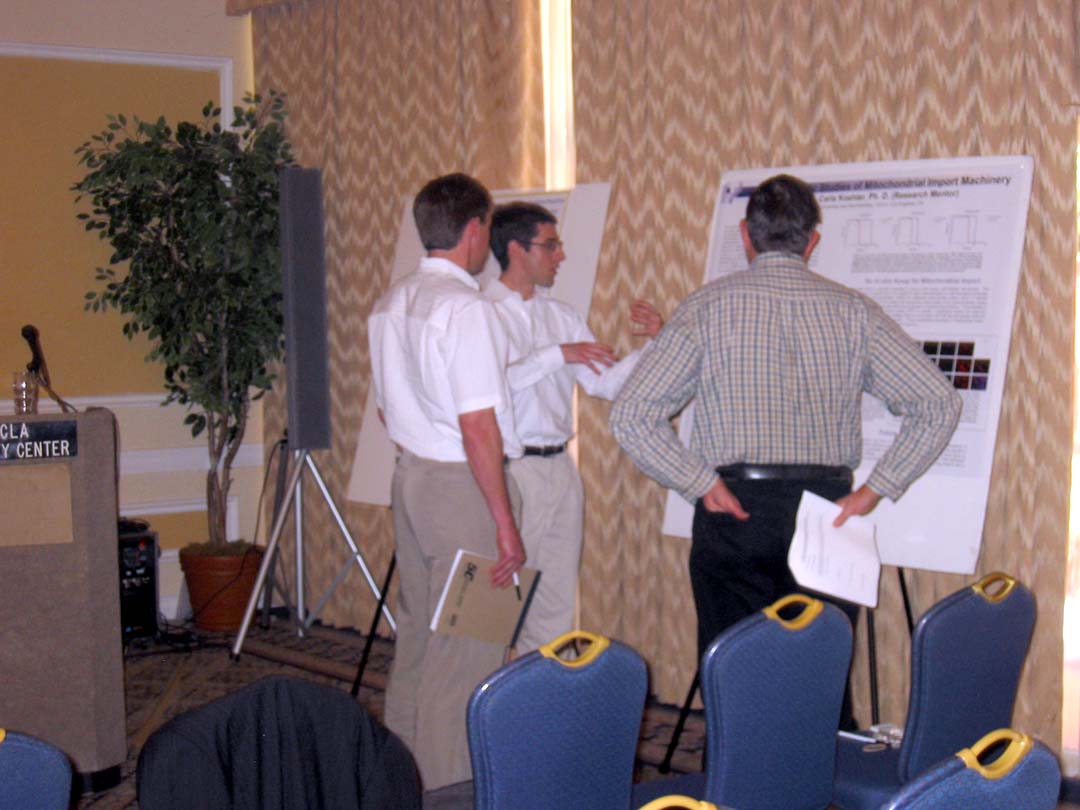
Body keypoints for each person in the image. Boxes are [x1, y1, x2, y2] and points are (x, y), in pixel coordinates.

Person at [610, 174, 961, 725]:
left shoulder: (706, 307)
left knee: (736, 679)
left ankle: (741, 775)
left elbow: (631, 414)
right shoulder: (854, 311)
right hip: (828, 513)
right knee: (818, 679)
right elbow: (938, 402)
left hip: (735, 510)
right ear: (812, 240)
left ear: (745, 236)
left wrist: (699, 483)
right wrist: (874, 492)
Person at [368, 173, 524, 789]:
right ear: (475, 229)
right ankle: (447, 791)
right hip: (462, 488)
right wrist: (505, 525)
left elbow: (386, 413)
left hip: (411, 479)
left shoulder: (392, 302)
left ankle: (400, 785)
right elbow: (478, 427)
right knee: (465, 653)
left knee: (417, 642)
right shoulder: (465, 309)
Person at [485, 201, 662, 653]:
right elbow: (488, 387)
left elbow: (605, 383)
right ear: (516, 249)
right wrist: (556, 355)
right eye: (551, 246)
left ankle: (544, 693)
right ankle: (485, 696)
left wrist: (658, 345)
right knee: (495, 606)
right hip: (508, 469)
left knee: (556, 601)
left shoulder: (562, 315)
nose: (561, 255)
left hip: (560, 468)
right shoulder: (481, 313)